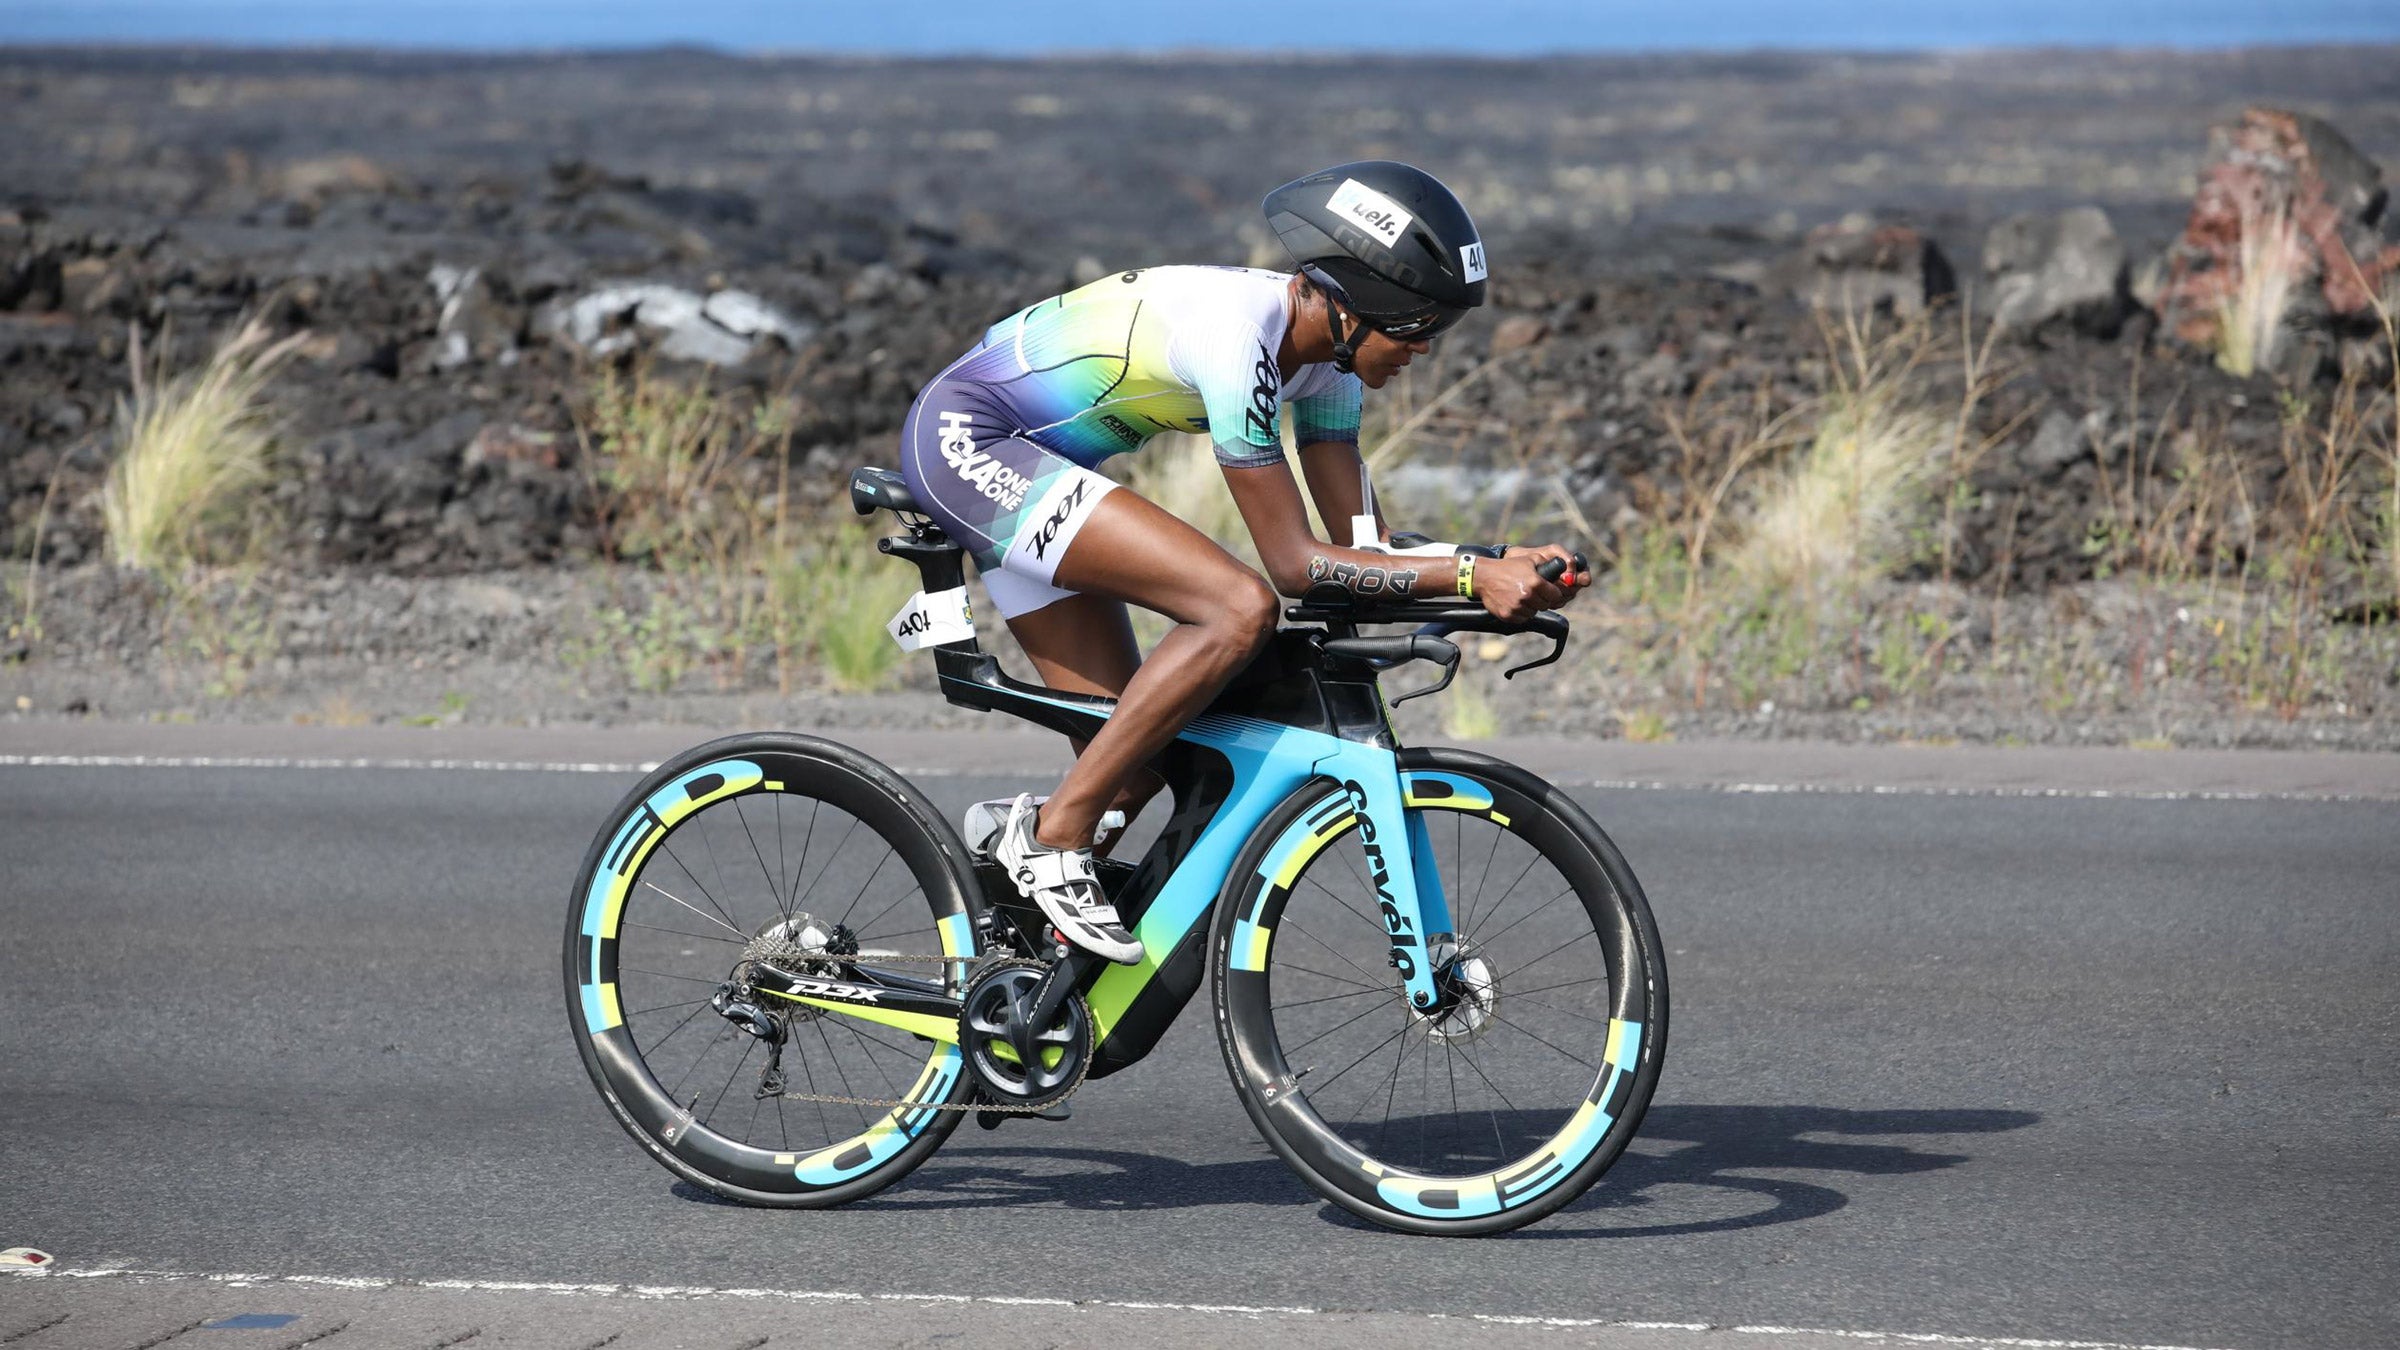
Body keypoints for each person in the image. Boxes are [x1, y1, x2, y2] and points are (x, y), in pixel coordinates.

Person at [895, 160, 1584, 964]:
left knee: (1135, 761)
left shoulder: (1333, 365)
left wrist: (1496, 562)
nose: (1425, 350)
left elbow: (1361, 548)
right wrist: (1468, 578)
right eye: (1417, 326)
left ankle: (1002, 982)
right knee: (1236, 608)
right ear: (1355, 304)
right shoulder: (1235, 339)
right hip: (969, 444)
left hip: (1042, 468)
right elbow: (1294, 567)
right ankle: (1053, 841)